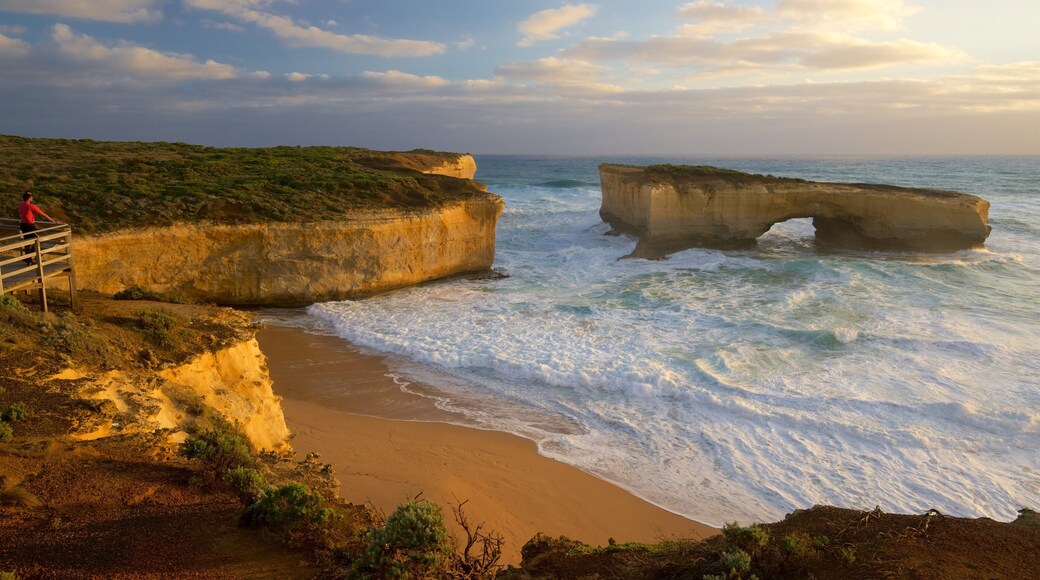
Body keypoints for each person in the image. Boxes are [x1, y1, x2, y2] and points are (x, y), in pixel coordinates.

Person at [18, 191, 59, 266]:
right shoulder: (32, 206)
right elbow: (43, 214)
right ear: (29, 198)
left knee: (27, 241)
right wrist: (54, 221)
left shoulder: (20, 205)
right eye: (32, 197)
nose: (32, 198)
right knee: (38, 239)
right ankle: (28, 257)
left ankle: (28, 260)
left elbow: (24, 213)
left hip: (23, 225)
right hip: (29, 226)